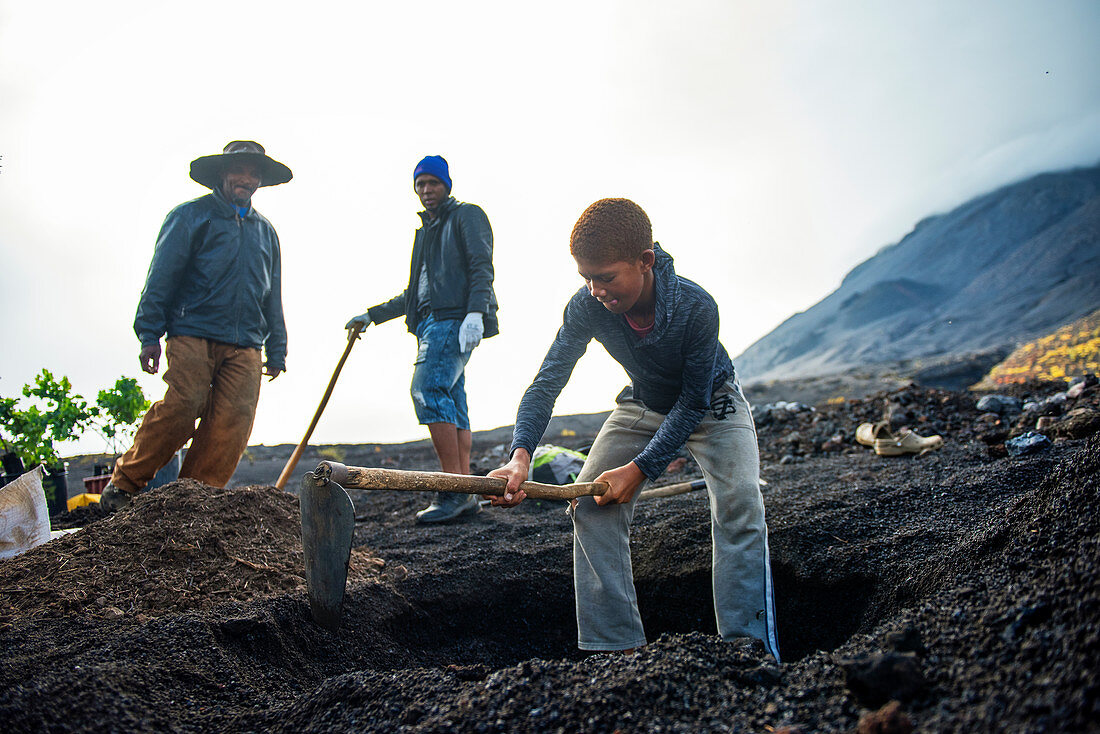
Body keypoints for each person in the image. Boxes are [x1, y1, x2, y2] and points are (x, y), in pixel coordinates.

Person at [488, 198, 780, 660]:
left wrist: (641, 469)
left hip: (711, 402)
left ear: (644, 262)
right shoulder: (586, 306)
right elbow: (548, 380)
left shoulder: (696, 306)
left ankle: (749, 651)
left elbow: (693, 402)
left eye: (605, 277)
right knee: (589, 502)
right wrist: (520, 454)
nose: (595, 289)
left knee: (741, 502)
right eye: (586, 277)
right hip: (642, 402)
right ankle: (617, 652)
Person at [100, 141, 291, 512]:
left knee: (233, 421)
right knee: (184, 405)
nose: (246, 179)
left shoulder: (266, 232)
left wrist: (278, 348)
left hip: (247, 343)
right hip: (193, 331)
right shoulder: (190, 216)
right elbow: (162, 276)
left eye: (254, 173)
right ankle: (123, 485)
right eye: (239, 170)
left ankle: (194, 500)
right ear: (222, 173)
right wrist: (148, 333)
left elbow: (273, 293)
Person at [346, 155, 498, 524]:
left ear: (447, 184)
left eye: (433, 182)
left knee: (427, 391)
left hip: (454, 321)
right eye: (420, 184)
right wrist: (372, 315)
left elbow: (482, 265)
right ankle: (466, 492)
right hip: (431, 322)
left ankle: (452, 489)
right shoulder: (426, 231)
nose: (426, 190)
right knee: (452, 401)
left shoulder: (466, 215)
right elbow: (413, 293)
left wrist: (476, 312)